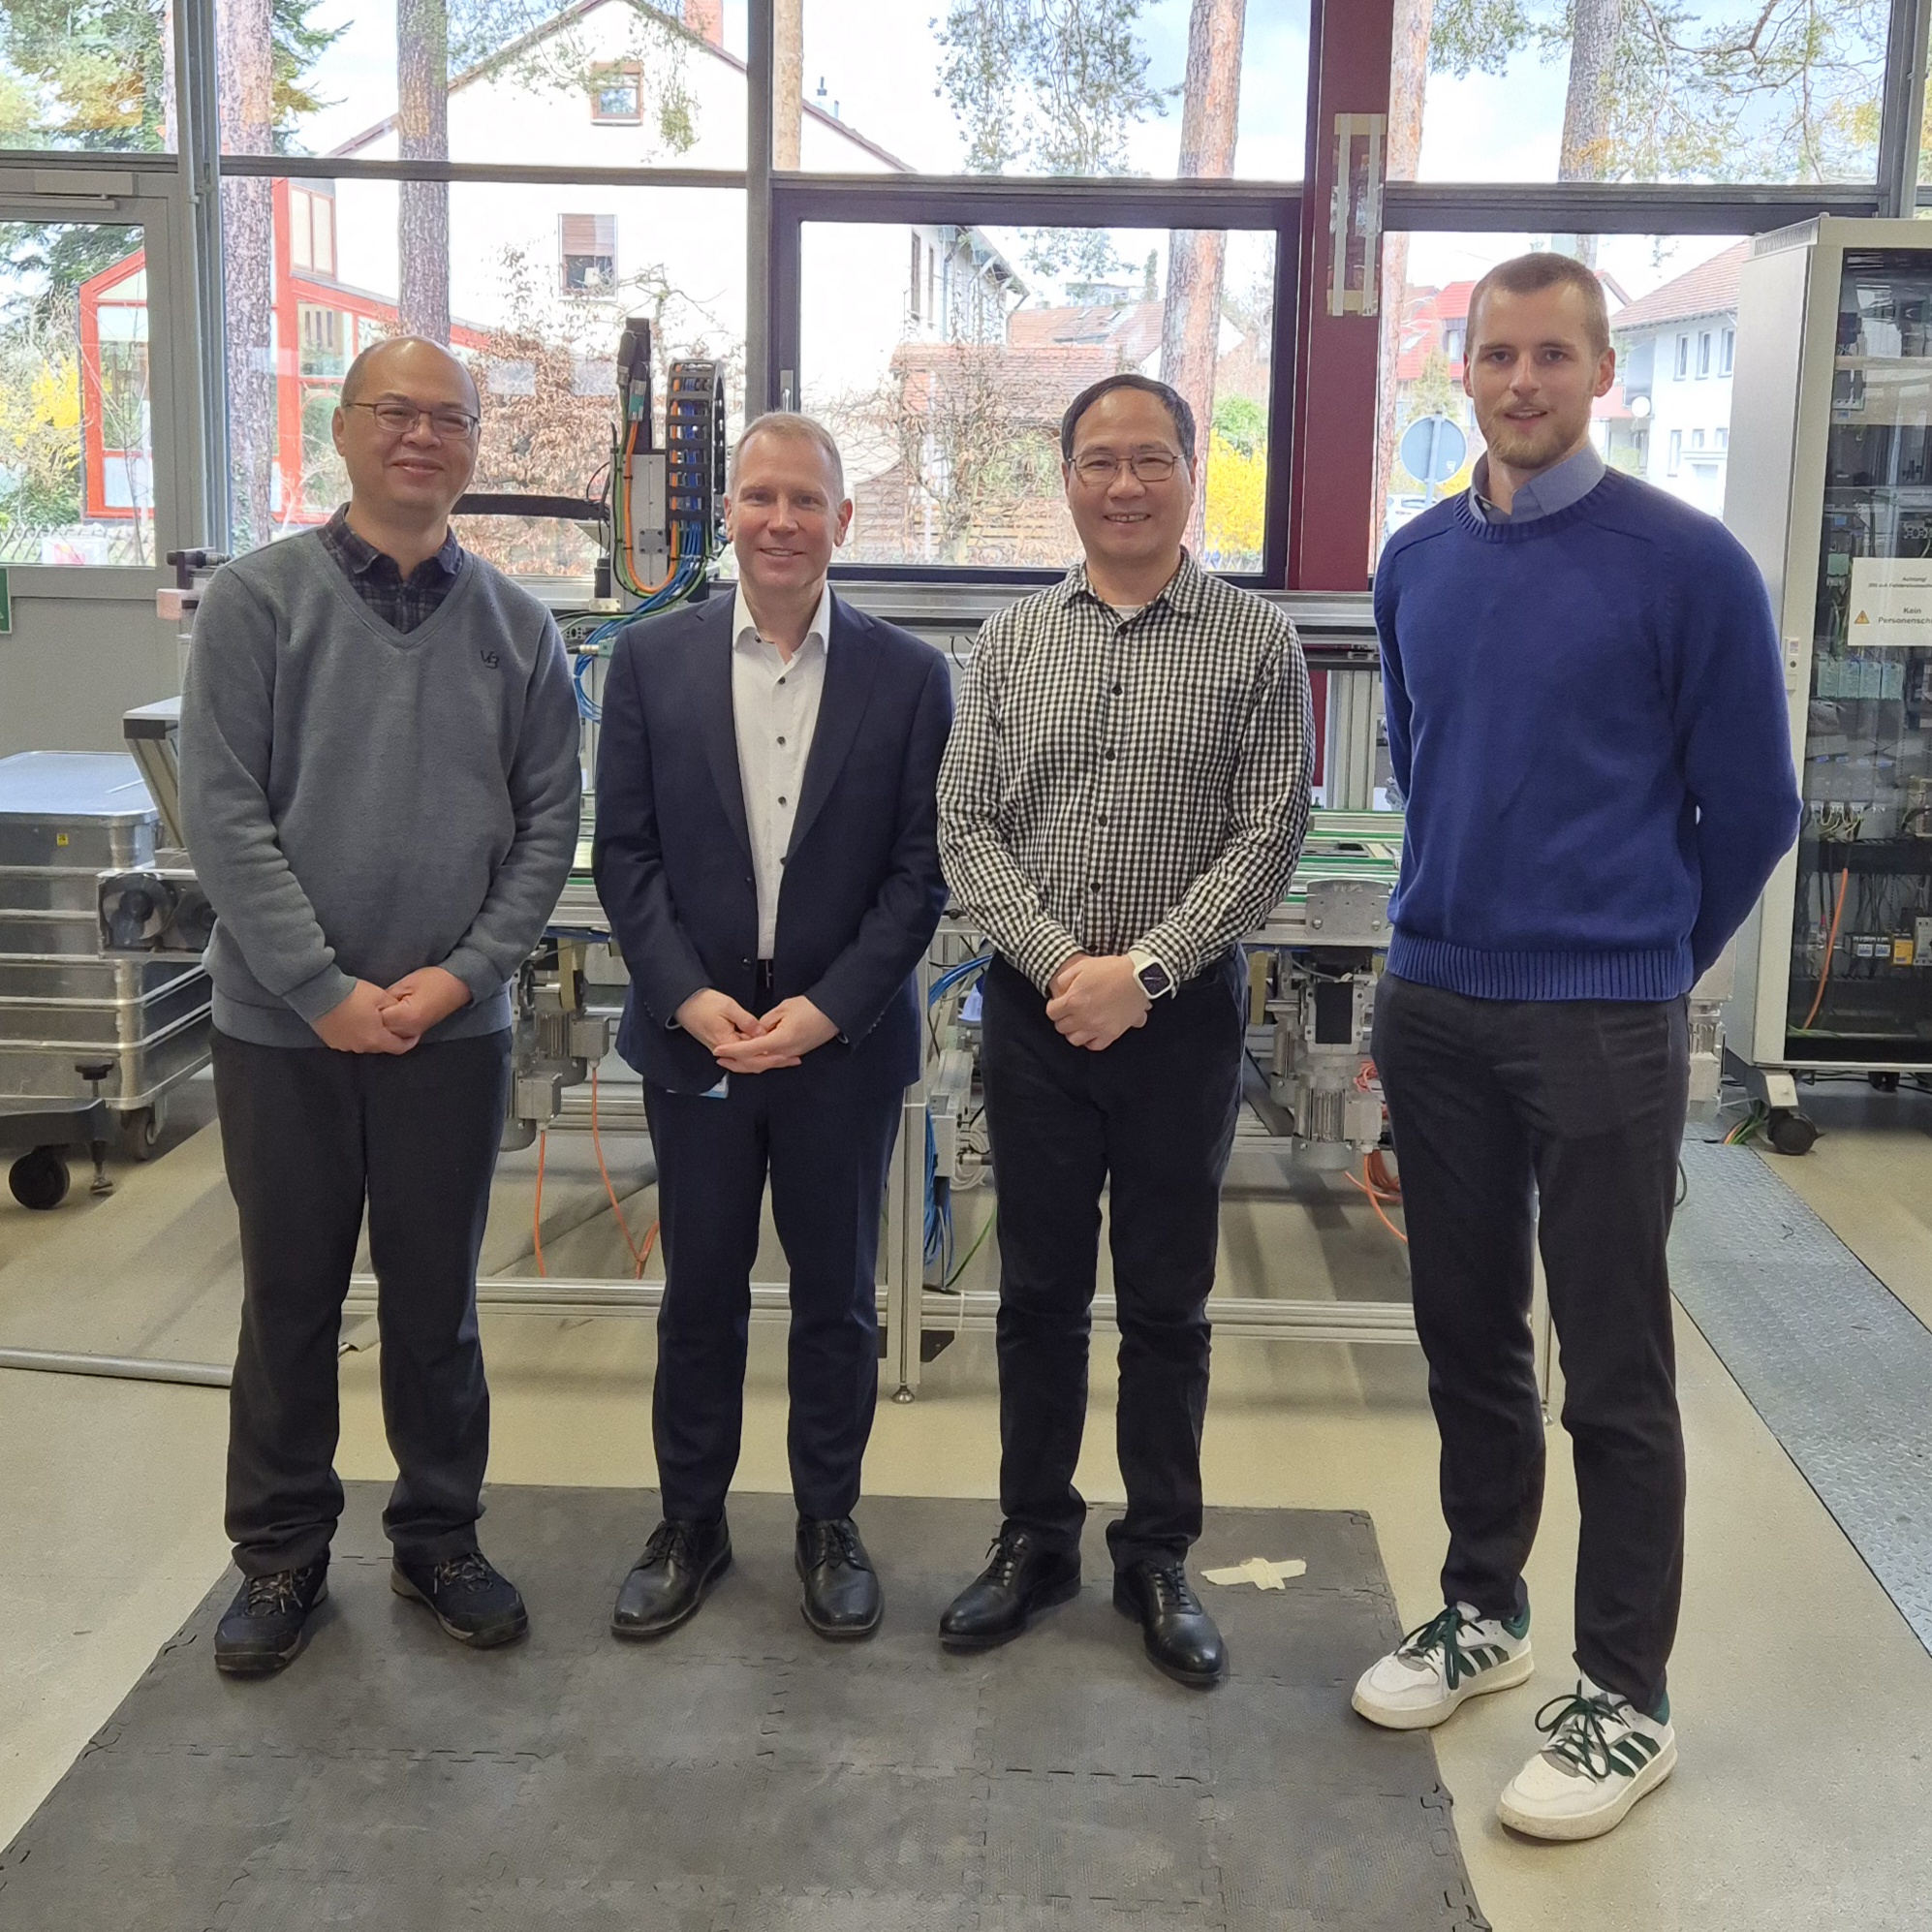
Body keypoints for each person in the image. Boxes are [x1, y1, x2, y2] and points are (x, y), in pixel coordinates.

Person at [1352, 253, 1801, 1839]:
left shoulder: (1686, 566)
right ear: (1462, 372)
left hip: (1602, 1016)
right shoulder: (1413, 561)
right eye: (1496, 354)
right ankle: (1483, 1605)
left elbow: (1753, 807)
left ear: (1601, 372)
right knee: (1461, 1331)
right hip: (1435, 1001)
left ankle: (1625, 1693)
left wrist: (1640, 961)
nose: (1521, 380)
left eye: (1551, 354)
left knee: (1610, 1363)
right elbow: (1421, 760)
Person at [179, 338, 581, 1676]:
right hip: (282, 1031)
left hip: (449, 1032)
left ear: (473, 445)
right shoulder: (257, 603)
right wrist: (320, 985)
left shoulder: (519, 628)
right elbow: (222, 813)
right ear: (342, 429)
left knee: (435, 1300)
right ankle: (281, 1553)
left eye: (446, 418)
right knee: (289, 1296)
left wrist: (466, 973)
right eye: (393, 412)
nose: (420, 436)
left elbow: (547, 823)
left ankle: (438, 1537)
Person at [934, 373, 1312, 1689]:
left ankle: (1155, 1552)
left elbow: (1268, 833)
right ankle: (1034, 1536)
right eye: (1098, 460)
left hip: (1179, 1020)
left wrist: (1142, 971)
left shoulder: (1255, 645)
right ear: (1067, 479)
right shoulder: (1008, 642)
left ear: (1190, 470)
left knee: (1165, 1300)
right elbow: (964, 824)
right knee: (1036, 1293)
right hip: (1036, 1017)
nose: (1124, 484)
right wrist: (1061, 967)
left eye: (1150, 458)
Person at [593, 412, 951, 1643]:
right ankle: (688, 1521)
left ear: (842, 520)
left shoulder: (910, 677)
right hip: (694, 1038)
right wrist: (683, 994)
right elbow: (625, 852)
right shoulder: (649, 663)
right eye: (759, 497)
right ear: (727, 514)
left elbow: (919, 872)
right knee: (698, 1291)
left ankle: (827, 1521)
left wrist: (828, 1007)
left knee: (837, 1299)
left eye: (806, 500)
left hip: (837, 1047)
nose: (781, 520)